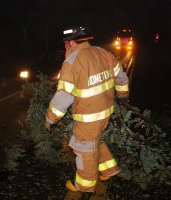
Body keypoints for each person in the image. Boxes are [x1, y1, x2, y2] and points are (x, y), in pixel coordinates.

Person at [45, 26, 129, 194]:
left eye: (66, 43)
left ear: (73, 42)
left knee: (84, 149)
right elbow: (121, 77)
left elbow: (64, 96)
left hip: (88, 116)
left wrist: (50, 119)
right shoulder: (103, 53)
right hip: (105, 112)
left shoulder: (72, 63)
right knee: (95, 140)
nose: (65, 47)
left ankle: (85, 185)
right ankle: (109, 170)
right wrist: (123, 95)